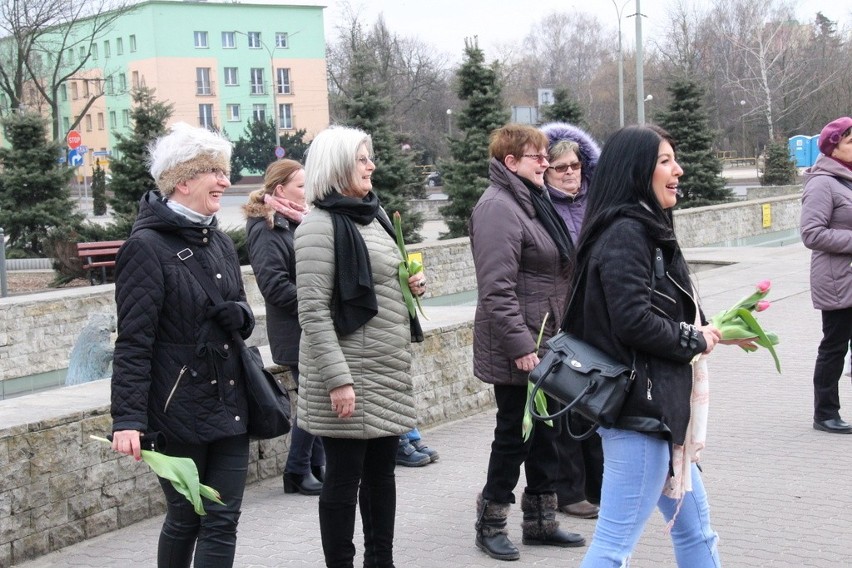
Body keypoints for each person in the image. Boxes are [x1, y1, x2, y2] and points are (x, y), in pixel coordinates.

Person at [566, 125, 755, 567]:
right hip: (641, 415)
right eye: (665, 161)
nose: (679, 170)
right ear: (637, 171)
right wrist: (694, 337)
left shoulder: (643, 228)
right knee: (613, 547)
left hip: (660, 414)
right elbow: (632, 322)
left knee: (696, 533)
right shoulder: (626, 232)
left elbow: (662, 309)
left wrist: (718, 330)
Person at [110, 122, 255, 567]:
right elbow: (134, 342)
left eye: (225, 170)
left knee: (222, 517)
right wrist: (128, 419)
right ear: (183, 180)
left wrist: (241, 316)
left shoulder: (220, 243)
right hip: (175, 411)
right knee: (186, 516)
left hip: (228, 400)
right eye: (215, 171)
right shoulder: (146, 248)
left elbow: (243, 316)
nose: (226, 182)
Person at [294, 125, 425, 568]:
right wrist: (338, 380)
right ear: (337, 167)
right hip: (347, 376)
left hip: (386, 368)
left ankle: (380, 561)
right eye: (363, 159)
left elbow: (382, 278)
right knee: (344, 481)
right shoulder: (318, 225)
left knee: (381, 478)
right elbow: (311, 310)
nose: (372, 166)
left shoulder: (374, 214)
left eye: (370, 157)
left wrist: (409, 284)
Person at [470, 123, 585, 562]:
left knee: (546, 433)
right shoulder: (497, 207)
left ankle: (541, 522)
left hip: (548, 340)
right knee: (513, 436)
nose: (546, 163)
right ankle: (490, 523)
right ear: (511, 163)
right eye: (538, 156)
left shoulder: (532, 200)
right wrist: (521, 347)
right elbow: (495, 290)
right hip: (520, 344)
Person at [243, 159, 327, 494]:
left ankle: (315, 467)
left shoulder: (296, 221)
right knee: (313, 401)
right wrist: (316, 304)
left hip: (310, 326)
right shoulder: (267, 227)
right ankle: (296, 471)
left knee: (317, 399)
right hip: (295, 332)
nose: (307, 193)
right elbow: (274, 286)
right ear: (280, 190)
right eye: (301, 186)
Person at [540, 121, 603, 519]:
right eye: (559, 167)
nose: (568, 173)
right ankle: (568, 490)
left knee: (596, 403)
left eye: (574, 166)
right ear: (545, 171)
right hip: (558, 318)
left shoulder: (594, 203)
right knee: (564, 406)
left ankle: (599, 485)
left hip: (595, 315)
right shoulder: (541, 207)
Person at [800, 116, 852, 434]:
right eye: (850, 141)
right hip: (836, 279)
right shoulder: (822, 182)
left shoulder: (847, 179)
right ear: (834, 148)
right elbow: (811, 234)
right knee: (834, 345)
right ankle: (825, 412)